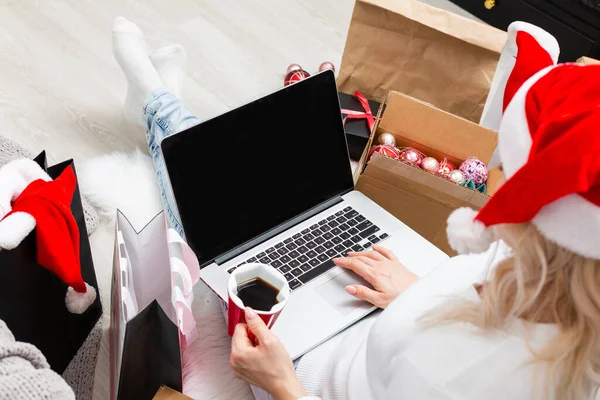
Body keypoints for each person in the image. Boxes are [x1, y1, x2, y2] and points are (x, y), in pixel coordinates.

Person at [112, 17, 600, 400]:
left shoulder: (473, 377)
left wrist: (282, 384)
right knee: (254, 194)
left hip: (309, 374)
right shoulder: (560, 287)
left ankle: (158, 102)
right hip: (375, 323)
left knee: (213, 218)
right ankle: (162, 105)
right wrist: (421, 292)